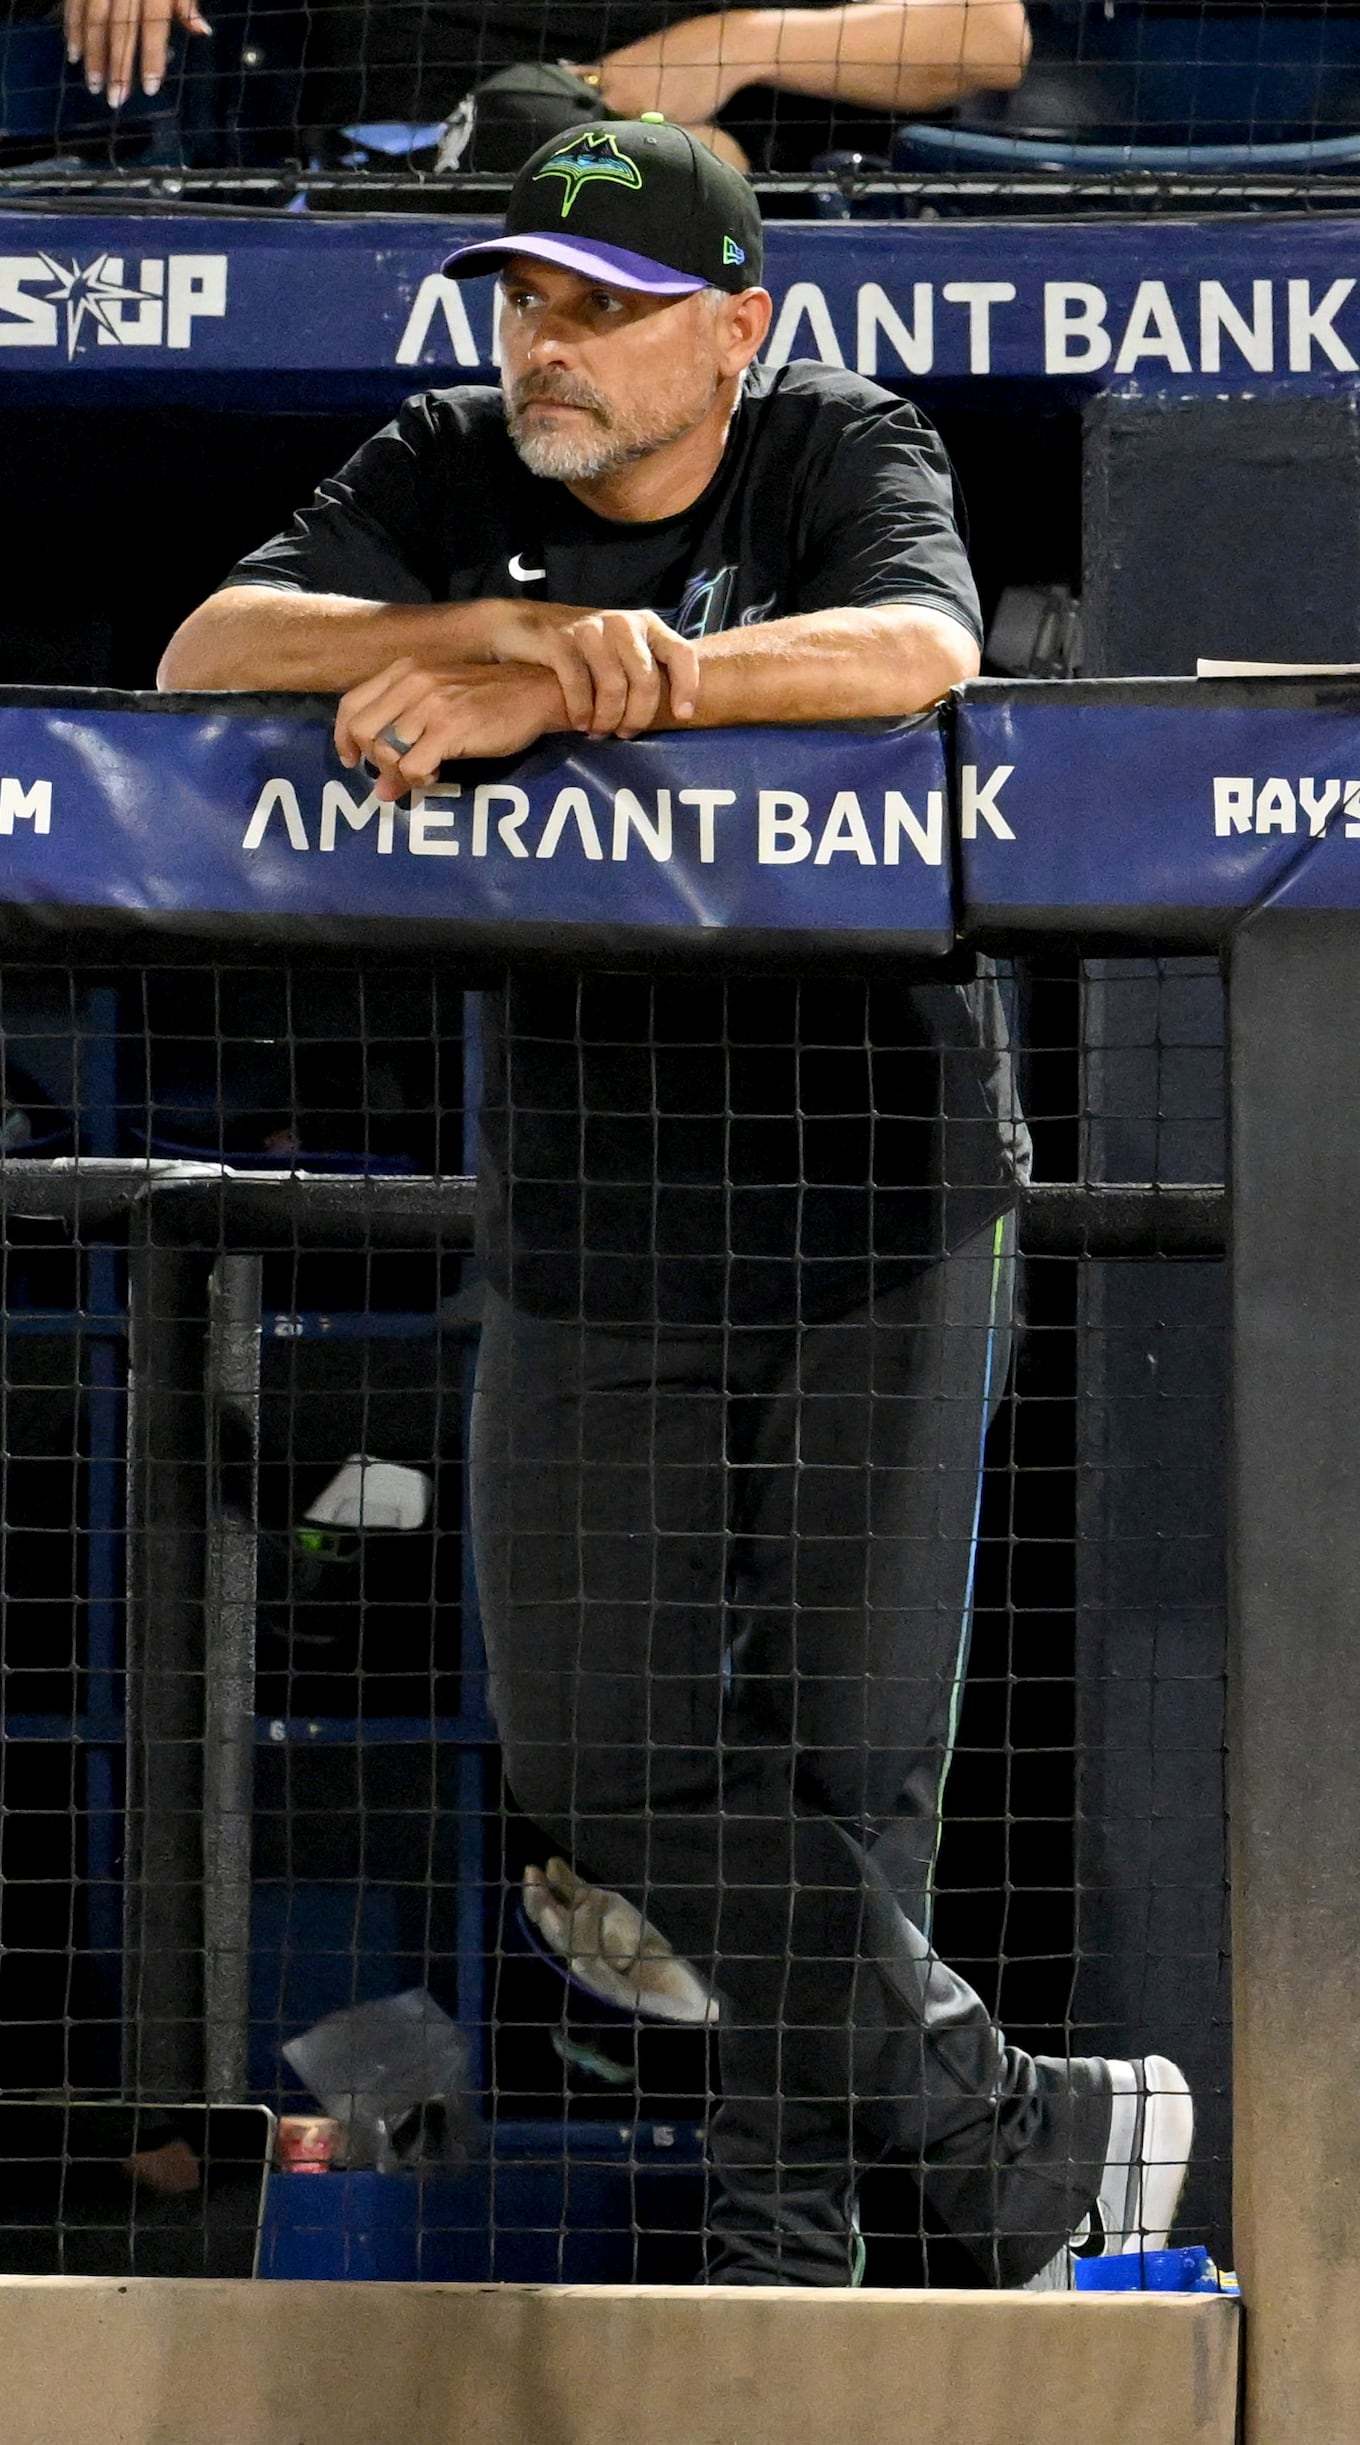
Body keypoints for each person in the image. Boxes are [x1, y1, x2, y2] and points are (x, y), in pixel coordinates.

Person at [157, 116, 1192, 2287]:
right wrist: (508, 635)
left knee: (847, 1773)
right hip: (590, 1202)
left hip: (874, 1192)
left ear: (733, 329)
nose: (547, 347)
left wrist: (657, 676)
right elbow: (205, 652)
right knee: (600, 1758)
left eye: (601, 311)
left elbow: (914, 656)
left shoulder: (832, 440)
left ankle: (779, 2277)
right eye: (526, 300)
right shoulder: (453, 465)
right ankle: (1023, 2138)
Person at [61, 0, 1028, 171]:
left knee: (672, 173)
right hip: (368, 165)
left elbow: (989, 36)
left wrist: (742, 43)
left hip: (658, 165)